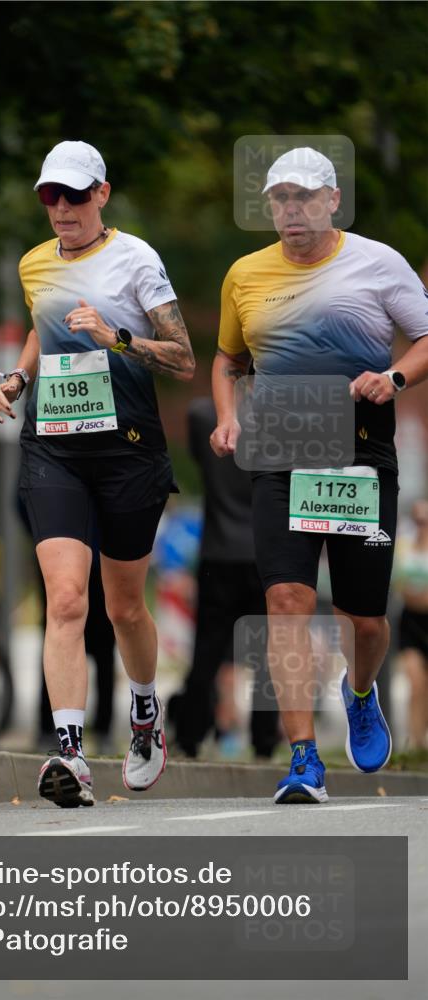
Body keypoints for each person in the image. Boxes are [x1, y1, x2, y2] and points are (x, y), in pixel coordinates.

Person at [210, 146, 428, 804]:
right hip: (279, 448)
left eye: (303, 197)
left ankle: (359, 693)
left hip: (359, 451)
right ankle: (302, 756)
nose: (290, 209)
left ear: (332, 201)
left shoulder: (378, 264)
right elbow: (226, 360)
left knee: (362, 619)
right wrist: (227, 418)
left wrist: (391, 377)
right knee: (286, 602)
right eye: (279, 198)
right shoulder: (244, 274)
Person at [0, 140, 195, 807]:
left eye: (75, 195)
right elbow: (44, 330)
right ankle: (69, 753)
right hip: (53, 448)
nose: (61, 209)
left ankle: (142, 711)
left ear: (102, 193)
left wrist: (116, 339)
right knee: (67, 599)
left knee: (123, 605)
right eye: (50, 195)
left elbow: (184, 360)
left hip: (128, 451)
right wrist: (18, 377)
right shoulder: (33, 263)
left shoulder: (135, 259)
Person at [169, 396, 279, 760]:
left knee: (208, 648)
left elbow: (202, 457)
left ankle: (191, 733)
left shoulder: (202, 415)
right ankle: (265, 738)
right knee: (267, 652)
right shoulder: (281, 417)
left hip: (218, 547)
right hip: (264, 548)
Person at [394, 498, 428, 749]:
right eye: (418, 521)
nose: (422, 526)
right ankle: (414, 743)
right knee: (415, 683)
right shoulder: (404, 548)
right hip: (411, 620)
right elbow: (398, 583)